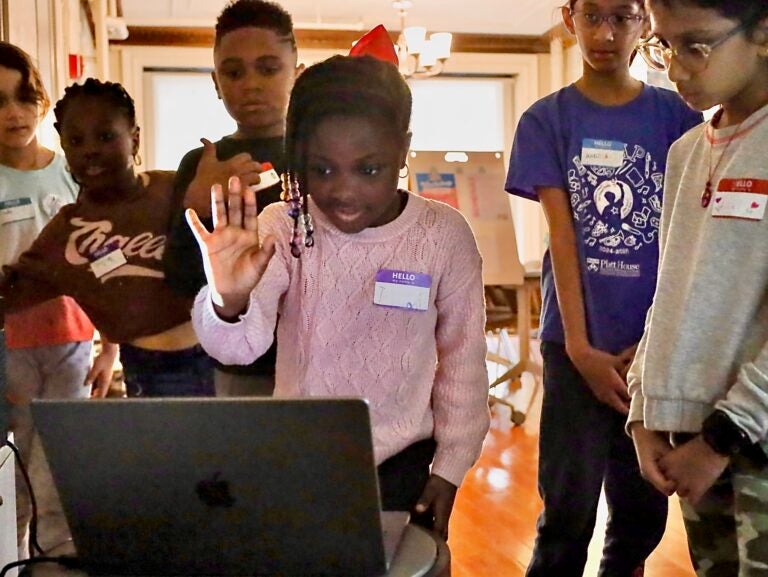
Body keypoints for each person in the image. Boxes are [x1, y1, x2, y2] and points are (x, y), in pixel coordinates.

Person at [187, 54, 490, 539]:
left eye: (369, 169)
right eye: (322, 170)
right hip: (299, 459)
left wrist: (450, 467)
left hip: (403, 465)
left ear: (403, 148)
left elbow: (463, 360)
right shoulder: (284, 225)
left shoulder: (443, 235)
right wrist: (228, 299)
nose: (344, 191)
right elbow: (237, 348)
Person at [504, 0, 703, 575]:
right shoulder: (547, 119)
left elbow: (687, 238)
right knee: (567, 509)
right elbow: (562, 235)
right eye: (592, 16)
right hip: (573, 345)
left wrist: (654, 343)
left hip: (653, 346)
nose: (606, 34)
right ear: (570, 18)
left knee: (643, 509)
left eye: (623, 17)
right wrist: (579, 346)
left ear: (646, 21)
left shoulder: (678, 117)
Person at [629, 0, 768, 573]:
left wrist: (721, 439)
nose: (675, 68)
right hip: (690, 441)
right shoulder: (685, 152)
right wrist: (644, 410)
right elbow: (670, 295)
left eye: (696, 46)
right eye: (663, 45)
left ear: (762, 32)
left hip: (747, 441)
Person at [1, 78, 213, 398]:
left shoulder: (173, 190)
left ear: (134, 139)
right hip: (147, 371)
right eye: (76, 141)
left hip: (219, 356)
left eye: (105, 136)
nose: (90, 150)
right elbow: (11, 290)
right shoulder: (66, 232)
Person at [0, 43, 117, 559]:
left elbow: (105, 260)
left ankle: (54, 565)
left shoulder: (70, 172)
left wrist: (111, 345)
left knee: (57, 473)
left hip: (72, 342)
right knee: (15, 476)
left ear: (40, 101)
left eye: (23, 97)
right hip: (9, 348)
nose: (14, 113)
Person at [162, 0, 302, 397]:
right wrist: (197, 204)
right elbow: (178, 277)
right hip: (240, 365)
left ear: (297, 74)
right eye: (234, 72)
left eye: (268, 68)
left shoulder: (321, 154)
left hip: (323, 355)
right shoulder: (200, 163)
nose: (251, 84)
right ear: (216, 82)